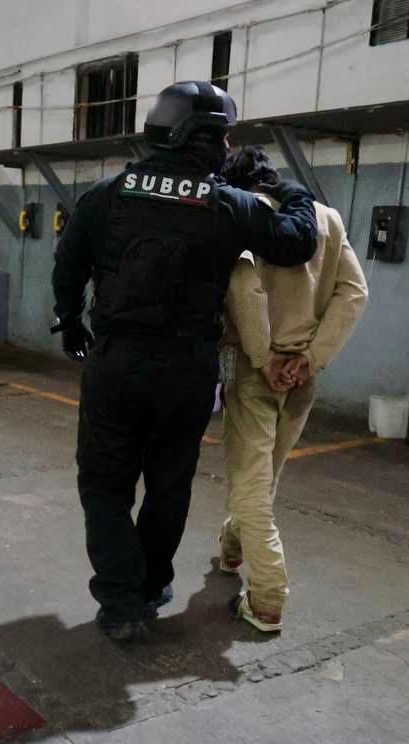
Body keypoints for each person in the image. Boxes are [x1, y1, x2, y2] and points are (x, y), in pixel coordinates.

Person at [50, 81, 319, 641]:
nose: (227, 148)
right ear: (201, 137)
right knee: (169, 484)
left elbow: (68, 265)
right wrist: (288, 190)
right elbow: (297, 241)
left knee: (104, 485)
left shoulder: (108, 193)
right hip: (187, 370)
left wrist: (72, 324)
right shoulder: (229, 204)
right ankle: (151, 587)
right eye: (223, 137)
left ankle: (122, 603)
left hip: (116, 363)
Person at [218, 145, 368, 632]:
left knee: (251, 482)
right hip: (303, 377)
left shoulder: (242, 216)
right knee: (265, 475)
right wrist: (310, 358)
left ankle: (267, 598)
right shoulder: (326, 218)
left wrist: (265, 360)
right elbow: (354, 292)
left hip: (256, 370)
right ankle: (232, 549)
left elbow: (245, 289)